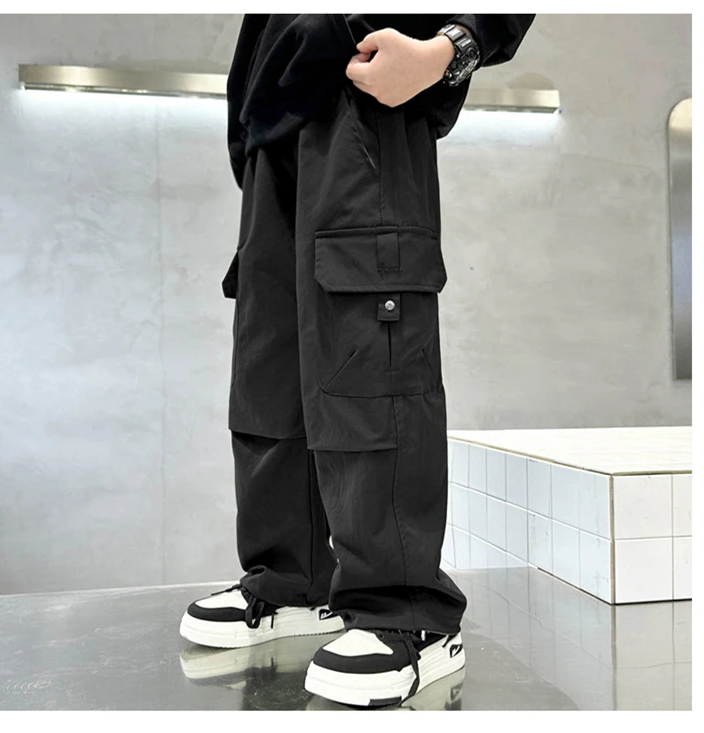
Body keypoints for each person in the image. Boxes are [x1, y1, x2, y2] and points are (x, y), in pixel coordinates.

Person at [180, 13, 535, 708]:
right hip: (273, 125)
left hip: (365, 97)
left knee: (369, 360)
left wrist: (451, 48)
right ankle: (293, 582)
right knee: (270, 371)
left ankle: (409, 614)